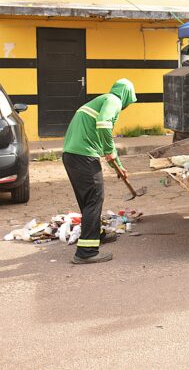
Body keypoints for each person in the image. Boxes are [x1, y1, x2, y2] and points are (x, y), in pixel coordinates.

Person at [62, 79, 137, 264]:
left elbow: (103, 142)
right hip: (84, 156)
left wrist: (117, 164)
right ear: (126, 94)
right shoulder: (114, 100)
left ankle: (97, 234)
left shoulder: (100, 100)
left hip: (71, 156)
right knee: (94, 199)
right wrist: (111, 152)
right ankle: (86, 252)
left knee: (88, 200)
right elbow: (104, 124)